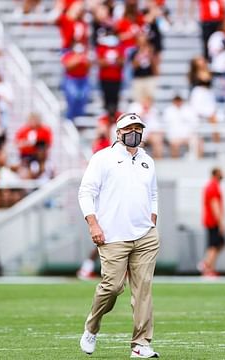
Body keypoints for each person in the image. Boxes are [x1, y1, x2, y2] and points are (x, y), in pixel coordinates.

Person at [78, 113, 160, 358]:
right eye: (129, 128)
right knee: (112, 287)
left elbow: (153, 194)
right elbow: (86, 192)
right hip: (113, 235)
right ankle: (92, 326)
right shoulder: (103, 158)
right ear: (118, 132)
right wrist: (93, 224)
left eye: (138, 128)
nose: (134, 132)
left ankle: (140, 343)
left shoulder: (148, 161)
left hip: (145, 235)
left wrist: (153, 218)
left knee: (143, 289)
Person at [199, 167, 225, 277]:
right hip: (213, 222)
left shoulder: (211, 186)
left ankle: (210, 267)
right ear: (216, 174)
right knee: (214, 245)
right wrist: (221, 223)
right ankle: (206, 265)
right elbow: (215, 206)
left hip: (211, 221)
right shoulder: (213, 187)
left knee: (218, 244)